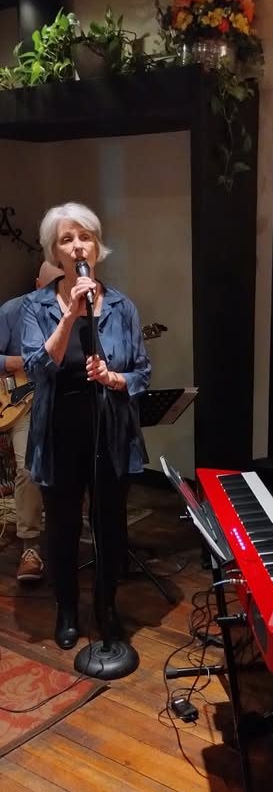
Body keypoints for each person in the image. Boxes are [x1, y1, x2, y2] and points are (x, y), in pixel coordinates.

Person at [21, 202, 151, 650]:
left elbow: (142, 371)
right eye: (67, 239)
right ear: (55, 252)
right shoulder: (36, 306)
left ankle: (106, 606)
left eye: (85, 237)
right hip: (58, 432)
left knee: (110, 524)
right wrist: (70, 316)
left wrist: (115, 379)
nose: (78, 245)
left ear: (96, 247)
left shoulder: (122, 306)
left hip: (110, 431)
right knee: (62, 527)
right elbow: (36, 368)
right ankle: (67, 609)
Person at [0, 261, 64, 581]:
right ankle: (30, 547)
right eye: (49, 289)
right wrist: (18, 362)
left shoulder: (76, 315)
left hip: (62, 400)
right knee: (29, 465)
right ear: (38, 285)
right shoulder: (11, 311)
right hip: (22, 404)